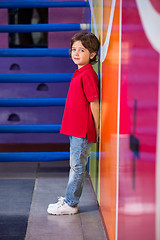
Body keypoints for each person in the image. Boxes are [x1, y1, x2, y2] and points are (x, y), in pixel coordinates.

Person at [47, 32, 100, 215]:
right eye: (74, 49)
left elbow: (94, 103)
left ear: (92, 54)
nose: (76, 53)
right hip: (75, 128)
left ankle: (71, 203)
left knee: (77, 166)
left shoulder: (88, 75)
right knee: (74, 165)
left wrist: (96, 128)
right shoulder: (80, 72)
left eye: (82, 50)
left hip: (82, 130)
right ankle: (69, 199)